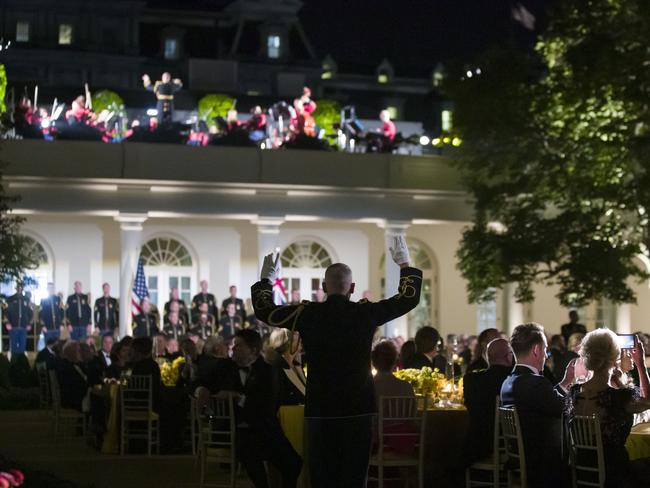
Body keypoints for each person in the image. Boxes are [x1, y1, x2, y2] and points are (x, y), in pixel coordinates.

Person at [250, 235, 421, 488]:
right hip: (358, 407)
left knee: (322, 477)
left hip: (321, 407)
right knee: (354, 478)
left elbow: (266, 311)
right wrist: (404, 264)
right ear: (352, 288)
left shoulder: (307, 314)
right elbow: (408, 299)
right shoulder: (365, 313)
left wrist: (267, 280)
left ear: (323, 287)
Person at [215, 329, 302, 488]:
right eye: (234, 345)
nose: (233, 349)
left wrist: (239, 398)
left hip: (264, 428)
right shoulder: (225, 368)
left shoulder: (268, 371)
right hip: (239, 431)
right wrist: (201, 390)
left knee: (294, 463)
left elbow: (267, 406)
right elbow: (202, 382)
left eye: (239, 346)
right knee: (249, 449)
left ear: (253, 350)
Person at [565, 329, 650, 487]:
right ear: (615, 358)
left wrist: (617, 380)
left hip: (582, 465)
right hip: (614, 471)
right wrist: (641, 364)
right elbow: (648, 401)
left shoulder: (573, 392)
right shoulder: (616, 398)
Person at [500, 322, 576, 488]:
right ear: (536, 350)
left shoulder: (508, 381)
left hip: (522, 456)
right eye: (545, 349)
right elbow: (564, 408)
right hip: (543, 462)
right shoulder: (535, 383)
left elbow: (547, 400)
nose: (546, 355)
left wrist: (565, 382)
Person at [463, 338, 514, 464]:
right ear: (508, 357)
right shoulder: (513, 381)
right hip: (507, 446)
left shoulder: (470, 380)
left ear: (487, 358)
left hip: (476, 445)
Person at [265, 329, 306, 406]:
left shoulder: (297, 365)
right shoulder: (275, 368)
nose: (300, 339)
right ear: (287, 342)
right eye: (295, 334)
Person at [56, 341, 88, 412]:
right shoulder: (66, 367)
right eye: (78, 351)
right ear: (71, 352)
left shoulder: (72, 364)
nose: (80, 353)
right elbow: (75, 385)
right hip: (73, 399)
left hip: (76, 396)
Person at [3, 285, 33, 354]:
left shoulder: (26, 299)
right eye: (18, 287)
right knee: (14, 348)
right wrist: (7, 323)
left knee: (22, 347)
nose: (19, 289)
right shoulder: (10, 299)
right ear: (15, 288)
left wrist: (29, 324)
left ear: (22, 288)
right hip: (13, 327)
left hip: (24, 327)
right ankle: (14, 363)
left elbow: (30, 313)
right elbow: (5, 312)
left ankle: (21, 363)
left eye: (21, 287)